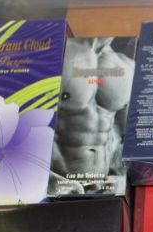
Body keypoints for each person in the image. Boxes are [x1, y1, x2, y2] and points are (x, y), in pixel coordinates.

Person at [50, 37, 135, 195]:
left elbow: (126, 137)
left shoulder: (128, 67)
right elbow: (26, 127)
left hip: (104, 191)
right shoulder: (55, 57)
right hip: (57, 192)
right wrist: (51, 181)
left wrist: (119, 176)